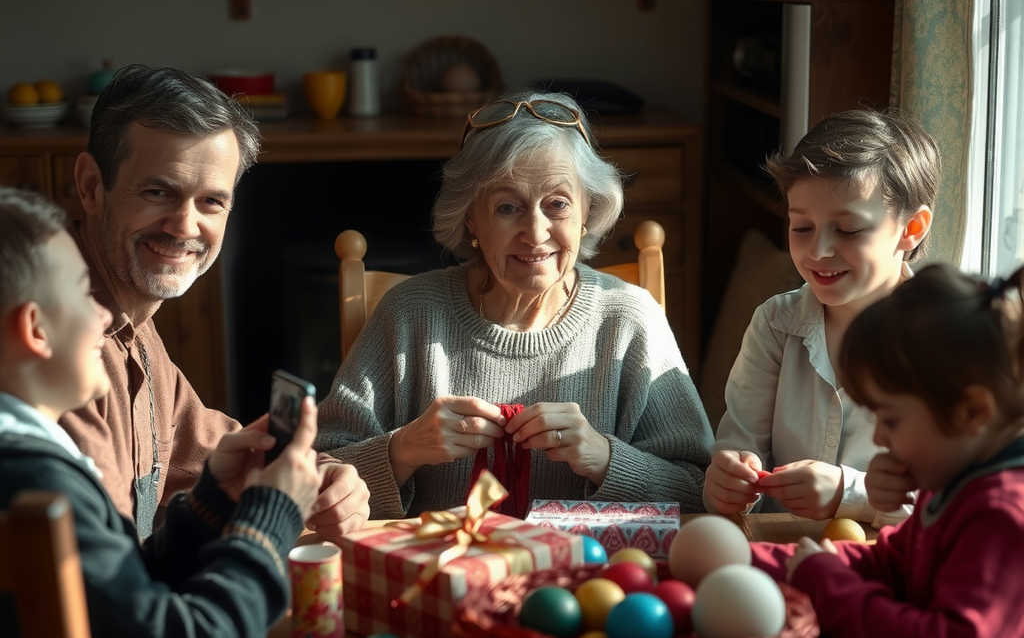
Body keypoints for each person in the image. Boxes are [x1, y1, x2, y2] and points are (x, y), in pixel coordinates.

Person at [317, 93, 713, 518]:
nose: (535, 232)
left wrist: (604, 458)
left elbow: (701, 492)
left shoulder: (630, 319)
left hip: (587, 579)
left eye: (557, 204)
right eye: (508, 207)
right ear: (471, 218)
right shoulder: (410, 314)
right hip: (440, 576)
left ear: (586, 210)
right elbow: (318, 478)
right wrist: (403, 449)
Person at [58, 64, 369, 539]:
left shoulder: (133, 325)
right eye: (158, 192)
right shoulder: (60, 347)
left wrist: (323, 474)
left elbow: (211, 445)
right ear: (90, 187)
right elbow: (116, 600)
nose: (184, 227)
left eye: (211, 202)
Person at [0, 187, 322, 636]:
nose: (105, 316)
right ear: (35, 329)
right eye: (82, 292)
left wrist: (212, 504)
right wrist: (271, 516)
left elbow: (125, 606)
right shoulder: (35, 483)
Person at [751, 263, 1024, 637]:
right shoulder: (954, 481)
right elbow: (892, 564)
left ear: (972, 412)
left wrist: (825, 581)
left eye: (891, 420)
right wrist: (752, 559)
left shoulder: (1001, 516)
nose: (879, 438)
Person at [704, 110, 939, 524]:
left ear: (912, 228)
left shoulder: (946, 340)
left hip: (888, 564)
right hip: (779, 558)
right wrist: (726, 482)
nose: (818, 251)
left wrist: (849, 494)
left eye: (848, 231)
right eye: (802, 228)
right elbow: (738, 448)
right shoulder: (775, 325)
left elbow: (951, 500)